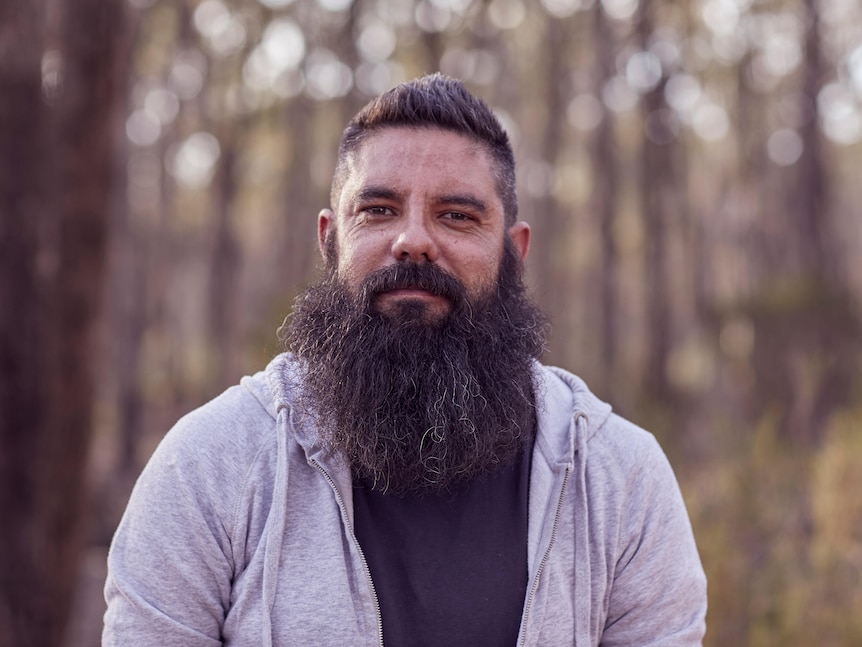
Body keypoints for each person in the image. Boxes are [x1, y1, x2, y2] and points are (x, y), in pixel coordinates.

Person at [103, 73, 707, 646]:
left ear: (513, 254)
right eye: (379, 210)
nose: (413, 239)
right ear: (329, 240)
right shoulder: (210, 466)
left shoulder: (617, 480)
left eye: (457, 216)